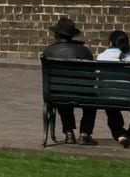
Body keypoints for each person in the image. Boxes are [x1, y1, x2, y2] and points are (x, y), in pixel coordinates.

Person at [42, 16, 98, 145]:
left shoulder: (48, 51)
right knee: (91, 101)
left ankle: (68, 132)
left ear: (56, 35)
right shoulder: (85, 51)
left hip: (58, 94)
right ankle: (85, 133)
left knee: (61, 94)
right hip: (84, 93)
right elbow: (92, 76)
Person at [97, 29, 130, 146]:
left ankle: (120, 133)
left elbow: (99, 79)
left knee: (111, 105)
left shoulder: (102, 57)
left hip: (109, 95)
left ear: (110, 43)